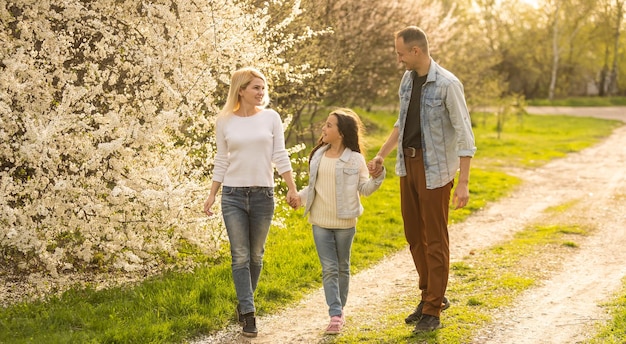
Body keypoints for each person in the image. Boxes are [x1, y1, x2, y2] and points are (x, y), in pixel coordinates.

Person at [368, 26, 476, 333]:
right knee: (414, 235)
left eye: (401, 53)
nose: (398, 58)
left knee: (435, 240)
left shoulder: (447, 84)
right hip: (408, 165)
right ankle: (431, 295)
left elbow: (465, 136)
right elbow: (401, 122)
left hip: (437, 170)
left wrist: (464, 182)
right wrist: (381, 155)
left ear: (416, 51)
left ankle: (432, 310)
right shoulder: (407, 80)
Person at [203, 67, 299, 338]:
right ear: (241, 90)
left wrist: (291, 188)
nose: (261, 92)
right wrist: (212, 193)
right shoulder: (224, 121)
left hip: (262, 195)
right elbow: (222, 160)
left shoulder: (271, 118)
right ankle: (248, 313)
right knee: (240, 256)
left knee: (256, 257)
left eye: (263, 87)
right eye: (256, 87)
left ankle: (244, 302)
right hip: (232, 195)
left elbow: (280, 154)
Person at [294, 108, 385, 335]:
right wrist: (298, 197)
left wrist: (378, 176)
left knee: (342, 267)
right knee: (330, 268)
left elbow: (364, 189)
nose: (323, 128)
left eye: (329, 125)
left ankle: (339, 310)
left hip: (345, 223)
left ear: (341, 132)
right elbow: (313, 186)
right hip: (320, 221)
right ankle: (335, 314)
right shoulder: (318, 155)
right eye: (325, 124)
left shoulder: (355, 159)